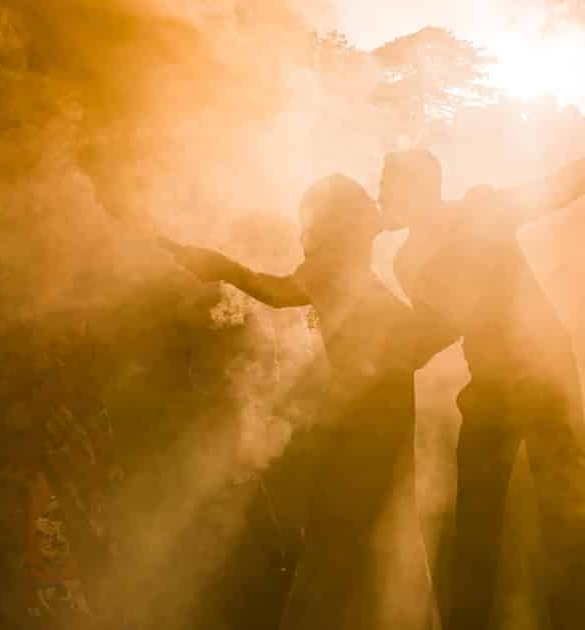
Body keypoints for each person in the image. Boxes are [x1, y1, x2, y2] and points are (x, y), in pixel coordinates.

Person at [379, 101, 585, 630]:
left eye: (388, 186)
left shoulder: (479, 213)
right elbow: (441, 328)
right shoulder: (406, 260)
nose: (380, 197)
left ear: (418, 190)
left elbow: (568, 181)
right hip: (489, 384)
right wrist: (376, 351)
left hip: (546, 375)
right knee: (476, 521)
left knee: (568, 514)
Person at [159, 175, 454, 630]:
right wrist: (221, 267)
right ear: (346, 220)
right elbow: (274, 292)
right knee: (359, 530)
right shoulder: (333, 267)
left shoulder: (347, 267)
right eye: (362, 205)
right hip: (371, 416)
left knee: (364, 528)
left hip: (378, 413)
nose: (374, 206)